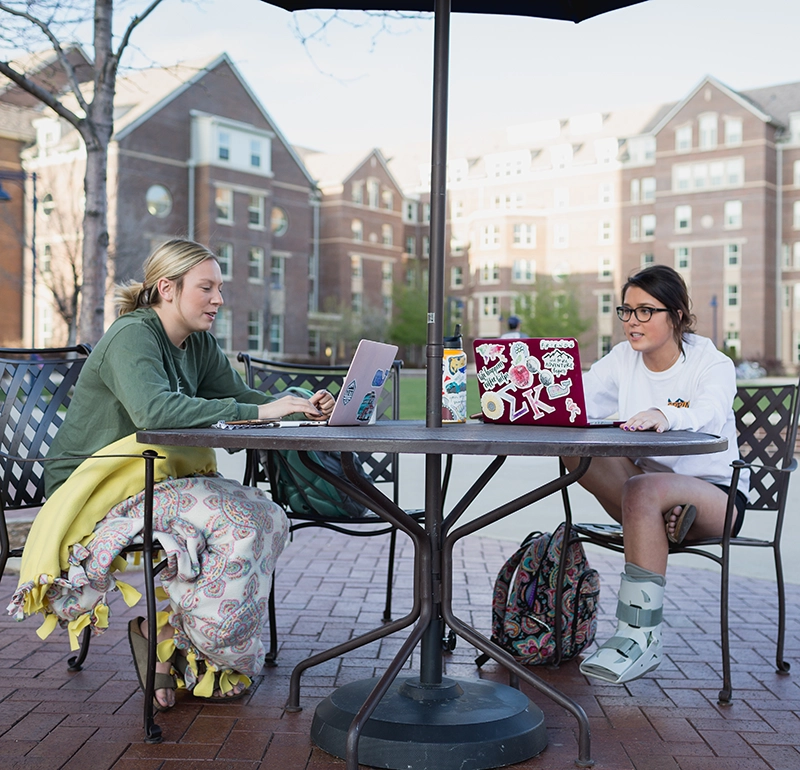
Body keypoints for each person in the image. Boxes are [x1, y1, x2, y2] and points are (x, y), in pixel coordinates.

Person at [9, 238, 335, 711]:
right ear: (167, 288)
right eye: (206, 288)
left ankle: (164, 634)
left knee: (267, 515)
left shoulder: (197, 344)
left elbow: (241, 398)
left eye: (219, 288)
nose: (218, 299)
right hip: (98, 483)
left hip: (157, 479)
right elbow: (155, 410)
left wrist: (304, 403)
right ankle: (204, 647)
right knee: (240, 522)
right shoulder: (132, 336)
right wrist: (262, 409)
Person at [563, 264, 748, 685]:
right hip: (642, 492)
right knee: (575, 455)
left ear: (677, 315)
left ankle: (639, 636)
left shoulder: (711, 362)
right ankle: (659, 526)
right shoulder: (622, 358)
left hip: (715, 495)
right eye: (626, 311)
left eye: (646, 311)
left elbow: (712, 413)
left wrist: (665, 413)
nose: (632, 322)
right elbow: (581, 402)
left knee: (643, 488)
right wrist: (533, 407)